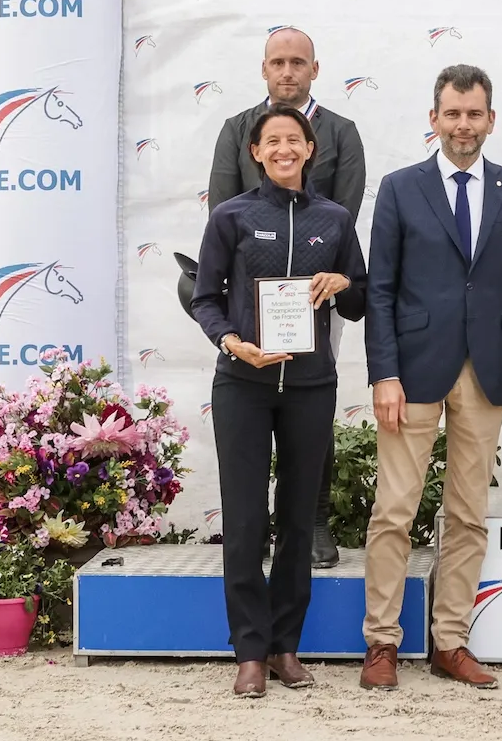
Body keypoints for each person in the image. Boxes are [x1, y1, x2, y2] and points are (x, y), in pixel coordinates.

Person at [359, 66, 502, 691]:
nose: (463, 125)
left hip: (488, 370)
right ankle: (382, 644)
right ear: (434, 118)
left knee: (468, 513)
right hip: (412, 372)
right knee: (394, 511)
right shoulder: (398, 188)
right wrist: (383, 372)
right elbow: (380, 289)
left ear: (491, 119)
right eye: (452, 114)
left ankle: (450, 641)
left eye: (474, 114)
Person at [191, 104, 367, 697]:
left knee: (296, 519)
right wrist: (233, 343)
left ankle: (286, 647)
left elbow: (360, 298)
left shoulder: (336, 219)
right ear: (257, 152)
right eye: (273, 141)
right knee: (244, 520)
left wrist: (344, 281)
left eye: (295, 139)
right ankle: (248, 652)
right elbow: (205, 297)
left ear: (310, 149)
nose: (285, 148)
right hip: (243, 382)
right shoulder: (231, 216)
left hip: (311, 387)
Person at [207, 25, 366, 569]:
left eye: (299, 62)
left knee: (311, 408)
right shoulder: (236, 129)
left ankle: (315, 521)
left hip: (317, 303)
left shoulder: (342, 132)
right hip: (250, 309)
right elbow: (223, 216)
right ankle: (254, 535)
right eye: (278, 62)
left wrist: (326, 282)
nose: (288, 71)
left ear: (315, 69)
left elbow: (341, 217)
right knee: (250, 418)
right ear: (264, 69)